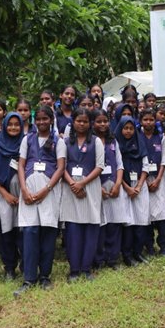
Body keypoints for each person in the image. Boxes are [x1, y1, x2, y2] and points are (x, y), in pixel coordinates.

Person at [14, 106, 65, 296]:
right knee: (30, 233)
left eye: (46, 119)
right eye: (39, 119)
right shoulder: (27, 140)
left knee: (48, 234)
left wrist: (46, 189)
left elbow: (60, 168)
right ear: (35, 121)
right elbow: (21, 165)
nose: (42, 122)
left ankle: (45, 276)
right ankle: (29, 278)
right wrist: (24, 190)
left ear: (51, 120)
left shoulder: (58, 142)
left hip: (49, 193)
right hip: (28, 192)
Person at [60, 109, 104, 281]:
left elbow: (100, 166)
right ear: (73, 121)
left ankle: (86, 269)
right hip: (71, 190)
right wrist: (73, 184)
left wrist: (82, 183)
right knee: (73, 230)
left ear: (90, 123)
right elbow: (61, 167)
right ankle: (74, 269)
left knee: (90, 228)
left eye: (85, 121)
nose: (82, 124)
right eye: (79, 120)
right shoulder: (65, 142)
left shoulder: (96, 142)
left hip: (90, 189)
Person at [93, 109, 132, 269]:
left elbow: (120, 164)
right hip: (98, 187)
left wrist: (117, 184)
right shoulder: (91, 141)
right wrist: (97, 188)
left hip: (114, 186)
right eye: (99, 121)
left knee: (114, 224)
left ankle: (113, 258)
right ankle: (99, 259)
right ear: (92, 123)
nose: (102, 124)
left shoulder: (113, 141)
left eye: (105, 121)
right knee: (100, 224)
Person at [0, 112, 24, 281]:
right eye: (10, 124)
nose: (14, 127)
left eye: (17, 124)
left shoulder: (26, 143)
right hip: (4, 196)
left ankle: (25, 264)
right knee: (6, 231)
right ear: (4, 125)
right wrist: (6, 194)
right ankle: (10, 267)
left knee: (23, 231)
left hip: (24, 195)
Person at [116, 116, 150, 265]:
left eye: (131, 128)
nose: (128, 131)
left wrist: (139, 186)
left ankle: (138, 252)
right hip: (125, 188)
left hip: (139, 187)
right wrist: (127, 187)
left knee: (141, 220)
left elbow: (145, 166)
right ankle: (127, 255)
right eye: (125, 128)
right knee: (128, 222)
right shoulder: (117, 146)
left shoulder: (139, 143)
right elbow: (117, 168)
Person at [140, 108, 165, 256]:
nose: (148, 122)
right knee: (146, 214)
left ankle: (163, 246)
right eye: (145, 119)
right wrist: (144, 181)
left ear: (155, 121)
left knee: (161, 213)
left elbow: (164, 159)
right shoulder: (137, 135)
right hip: (142, 180)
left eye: (151, 119)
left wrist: (158, 179)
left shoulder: (161, 136)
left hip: (158, 179)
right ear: (141, 121)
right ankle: (149, 246)